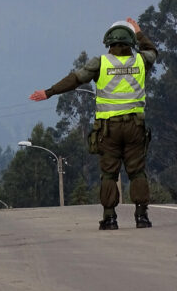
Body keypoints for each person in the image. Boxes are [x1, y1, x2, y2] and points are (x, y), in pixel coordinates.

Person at [30, 18, 158, 230]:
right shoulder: (141, 61)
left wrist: (49, 92)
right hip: (135, 127)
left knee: (109, 174)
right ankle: (141, 217)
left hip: (109, 129)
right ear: (130, 41)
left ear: (109, 42)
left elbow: (75, 79)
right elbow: (152, 51)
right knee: (137, 172)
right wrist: (139, 32)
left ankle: (110, 218)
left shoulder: (100, 63)